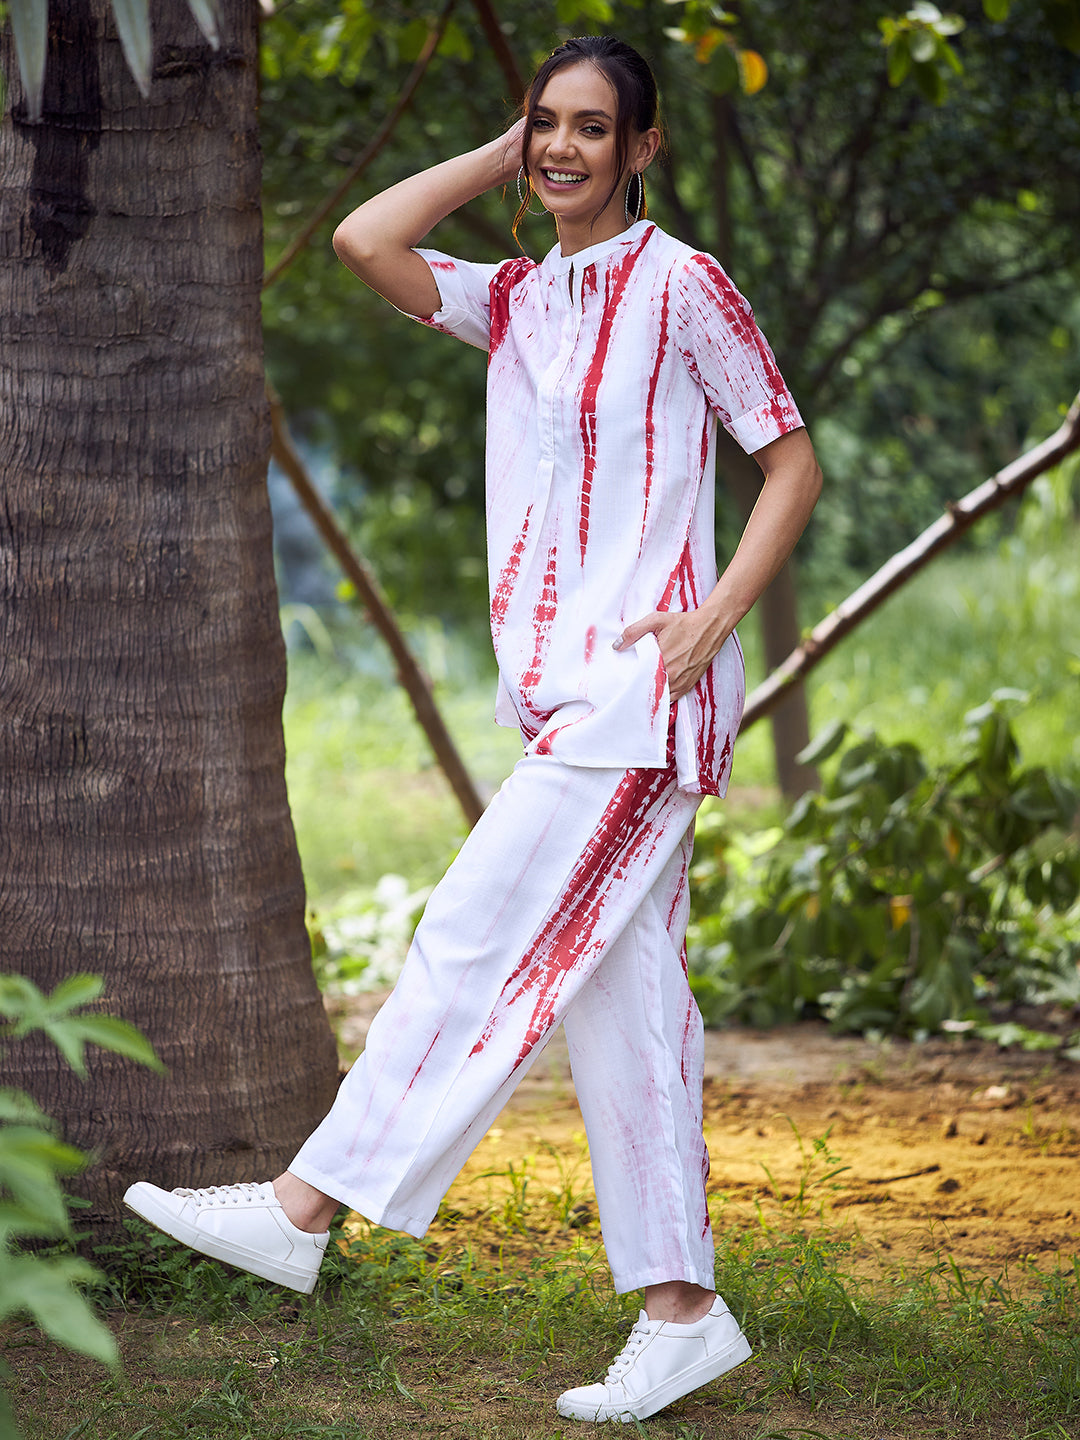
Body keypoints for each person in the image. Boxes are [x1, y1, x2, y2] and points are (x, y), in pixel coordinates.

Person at [125, 35, 821, 1424]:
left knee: (472, 933)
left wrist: (716, 617)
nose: (564, 148)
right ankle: (683, 1314)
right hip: (564, 701)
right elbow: (363, 237)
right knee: (630, 1012)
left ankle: (308, 1206)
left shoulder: (683, 284)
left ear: (645, 147)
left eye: (591, 128)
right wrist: (511, 155)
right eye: (543, 124)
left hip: (643, 699)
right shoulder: (519, 299)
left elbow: (790, 456)